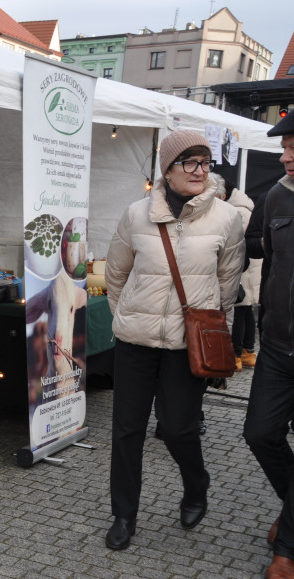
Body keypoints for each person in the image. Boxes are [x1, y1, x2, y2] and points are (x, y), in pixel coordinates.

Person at [104, 130, 244, 551]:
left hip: (188, 346)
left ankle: (196, 485)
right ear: (167, 170)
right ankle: (124, 514)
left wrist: (218, 343)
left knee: (179, 428)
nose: (201, 171)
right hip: (135, 342)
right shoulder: (136, 214)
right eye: (191, 163)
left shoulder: (226, 218)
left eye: (206, 163)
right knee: (127, 430)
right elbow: (115, 275)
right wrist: (128, 317)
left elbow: (226, 289)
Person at [242, 114, 294, 579]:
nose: (285, 156)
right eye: (285, 147)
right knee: (259, 434)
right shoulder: (276, 197)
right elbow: (271, 264)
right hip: (278, 345)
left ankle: (288, 549)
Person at [210, 172, 257, 370]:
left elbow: (232, 240)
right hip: (244, 268)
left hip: (242, 270)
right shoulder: (239, 207)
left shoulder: (239, 211)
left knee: (239, 310)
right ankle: (247, 352)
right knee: (245, 310)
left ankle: (236, 355)